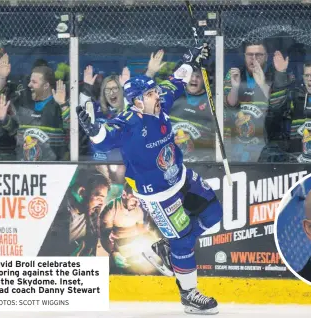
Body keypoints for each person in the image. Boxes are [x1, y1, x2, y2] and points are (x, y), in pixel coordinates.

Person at [77, 43, 223, 315]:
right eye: (151, 93)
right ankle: (189, 294)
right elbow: (105, 139)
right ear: (137, 102)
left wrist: (189, 59)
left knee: (214, 213)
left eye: (155, 91)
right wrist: (94, 130)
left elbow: (177, 79)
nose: (158, 95)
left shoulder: (160, 101)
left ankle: (168, 246)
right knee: (183, 240)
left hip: (181, 178)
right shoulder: (129, 123)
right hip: (157, 195)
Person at [224, 40, 292, 162]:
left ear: (266, 57)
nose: (253, 59)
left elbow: (278, 107)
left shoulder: (275, 74)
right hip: (239, 143)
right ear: (244, 56)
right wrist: (235, 87)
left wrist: (262, 83)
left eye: (258, 55)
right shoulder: (235, 74)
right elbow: (230, 105)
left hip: (268, 144)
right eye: (250, 55)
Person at [38, 166, 111, 256]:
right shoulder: (53, 212)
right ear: (81, 192)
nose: (101, 204)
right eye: (99, 198)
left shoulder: (92, 211)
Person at [100, 182, 149, 270]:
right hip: (118, 250)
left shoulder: (138, 210)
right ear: (124, 194)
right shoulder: (111, 209)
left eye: (139, 201)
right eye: (134, 199)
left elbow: (141, 230)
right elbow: (104, 235)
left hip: (135, 248)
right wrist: (113, 253)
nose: (137, 204)